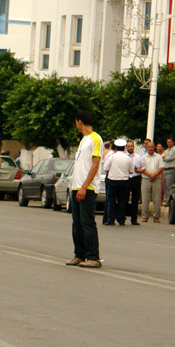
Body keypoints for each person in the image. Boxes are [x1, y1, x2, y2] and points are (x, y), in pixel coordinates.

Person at [66, 111, 103, 269]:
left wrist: (84, 186)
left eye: (76, 122)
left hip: (87, 187)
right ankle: (79, 255)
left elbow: (95, 164)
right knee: (77, 224)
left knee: (87, 223)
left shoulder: (95, 138)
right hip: (77, 186)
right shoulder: (83, 140)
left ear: (79, 121)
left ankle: (93, 257)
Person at [103, 139, 133, 226]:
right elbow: (131, 171)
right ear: (124, 148)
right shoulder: (128, 158)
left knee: (111, 200)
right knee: (122, 201)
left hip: (113, 180)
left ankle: (111, 219)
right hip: (124, 181)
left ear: (116, 148)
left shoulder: (112, 157)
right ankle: (121, 219)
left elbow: (105, 168)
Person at [141, 142, 164, 223]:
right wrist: (150, 174)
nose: (150, 148)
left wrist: (155, 175)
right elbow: (142, 168)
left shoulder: (158, 157)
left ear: (154, 148)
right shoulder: (143, 157)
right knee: (145, 199)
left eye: (152, 147)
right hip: (146, 179)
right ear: (147, 148)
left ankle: (156, 217)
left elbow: (161, 167)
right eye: (149, 147)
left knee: (157, 199)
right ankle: (144, 216)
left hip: (156, 179)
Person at [126, 140, 145, 225]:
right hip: (126, 179)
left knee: (135, 199)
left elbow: (143, 168)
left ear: (133, 147)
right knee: (124, 198)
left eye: (131, 146)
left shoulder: (138, 157)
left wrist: (138, 170)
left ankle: (134, 219)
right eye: (128, 146)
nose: (130, 147)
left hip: (136, 178)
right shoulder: (124, 157)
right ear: (126, 147)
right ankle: (122, 217)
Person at [101, 141, 114, 225]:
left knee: (109, 199)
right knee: (110, 199)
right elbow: (106, 168)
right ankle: (108, 218)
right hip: (111, 178)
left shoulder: (107, 154)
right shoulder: (110, 155)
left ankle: (109, 218)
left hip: (110, 177)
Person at [162, 138, 175, 202]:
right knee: (165, 186)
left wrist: (165, 157)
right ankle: (167, 199)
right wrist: (164, 156)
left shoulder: (174, 149)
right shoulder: (167, 150)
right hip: (164, 170)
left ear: (173, 142)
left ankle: (169, 201)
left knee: (169, 186)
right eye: (168, 142)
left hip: (170, 169)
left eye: (170, 142)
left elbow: (169, 158)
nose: (169, 143)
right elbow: (161, 156)